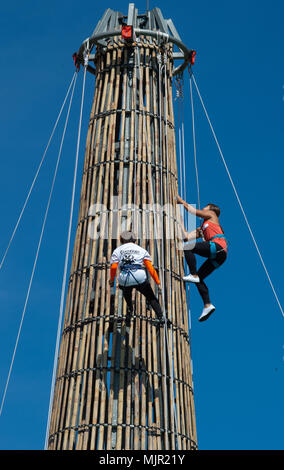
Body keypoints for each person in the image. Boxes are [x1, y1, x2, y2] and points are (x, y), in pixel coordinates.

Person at [177, 195, 227, 322]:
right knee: (200, 278)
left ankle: (193, 274)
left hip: (217, 247)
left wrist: (179, 200)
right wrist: (180, 219)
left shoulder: (212, 215)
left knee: (187, 248)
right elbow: (186, 237)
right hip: (219, 255)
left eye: (205, 208)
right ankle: (207, 304)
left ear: (211, 210)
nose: (203, 209)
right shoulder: (203, 228)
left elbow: (192, 210)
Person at [109, 231, 164, 326]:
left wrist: (112, 280)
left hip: (125, 277)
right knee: (150, 296)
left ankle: (130, 308)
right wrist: (158, 282)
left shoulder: (118, 250)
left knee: (126, 291)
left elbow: (114, 267)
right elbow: (150, 268)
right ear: (134, 240)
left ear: (122, 240)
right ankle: (161, 317)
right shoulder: (141, 250)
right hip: (139, 276)